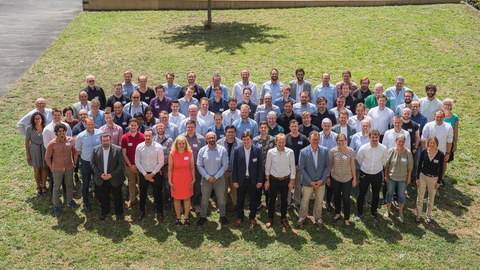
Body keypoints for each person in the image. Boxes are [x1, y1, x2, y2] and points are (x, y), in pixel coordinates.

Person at [297, 131, 329, 227]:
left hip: (320, 182)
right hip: (308, 182)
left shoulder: (324, 150)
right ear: (309, 139)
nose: (315, 141)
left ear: (319, 140)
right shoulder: (303, 152)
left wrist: (322, 180)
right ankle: (302, 217)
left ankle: (318, 217)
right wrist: (310, 181)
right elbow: (301, 167)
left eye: (317, 139)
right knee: (305, 200)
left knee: (319, 201)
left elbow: (327, 166)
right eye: (313, 139)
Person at [45, 123, 78, 216]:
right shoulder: (52, 143)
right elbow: (47, 158)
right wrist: (51, 168)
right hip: (57, 169)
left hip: (69, 168)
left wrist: (75, 163)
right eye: (59, 131)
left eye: (63, 131)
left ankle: (70, 201)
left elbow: (75, 152)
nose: (61, 133)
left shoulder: (70, 140)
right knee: (56, 188)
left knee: (69, 186)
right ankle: (56, 206)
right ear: (56, 133)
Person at [356, 130, 389, 222]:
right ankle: (359, 213)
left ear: (379, 138)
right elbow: (360, 160)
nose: (374, 139)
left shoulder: (383, 149)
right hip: (364, 173)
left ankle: (374, 213)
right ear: (369, 137)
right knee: (361, 194)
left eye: (376, 137)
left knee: (376, 194)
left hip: (377, 174)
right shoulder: (363, 148)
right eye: (372, 137)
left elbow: (384, 162)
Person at [197, 132, 229, 225]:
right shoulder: (202, 150)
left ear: (215, 138)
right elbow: (199, 165)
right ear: (206, 139)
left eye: (213, 137)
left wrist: (215, 177)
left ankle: (222, 216)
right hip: (206, 179)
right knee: (204, 199)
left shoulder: (222, 150)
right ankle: (203, 216)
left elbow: (225, 165)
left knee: (221, 198)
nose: (211, 139)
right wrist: (207, 177)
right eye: (209, 138)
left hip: (219, 179)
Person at [91, 133, 126, 221]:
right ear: (101, 141)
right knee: (103, 197)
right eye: (103, 141)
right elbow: (92, 164)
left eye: (107, 140)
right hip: (101, 178)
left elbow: (121, 165)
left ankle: (119, 213)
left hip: (115, 178)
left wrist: (111, 175)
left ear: (110, 140)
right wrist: (100, 174)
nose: (105, 142)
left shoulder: (118, 150)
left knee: (117, 197)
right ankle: (104, 212)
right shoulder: (96, 150)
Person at [231, 131, 263, 226]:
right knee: (240, 200)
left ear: (251, 140)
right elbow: (234, 167)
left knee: (253, 200)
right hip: (241, 180)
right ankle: (240, 217)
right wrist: (235, 180)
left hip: (253, 180)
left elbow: (260, 167)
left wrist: (260, 180)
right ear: (242, 140)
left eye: (248, 139)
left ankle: (252, 217)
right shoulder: (237, 150)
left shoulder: (257, 150)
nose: (246, 141)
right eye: (244, 139)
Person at [265, 133, 296, 229]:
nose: (281, 144)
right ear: (276, 142)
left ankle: (283, 218)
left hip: (285, 180)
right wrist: (267, 180)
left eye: (283, 142)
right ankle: (270, 218)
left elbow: (292, 167)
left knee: (284, 200)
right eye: (279, 142)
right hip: (273, 180)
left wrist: (292, 181)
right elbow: (267, 167)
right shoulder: (270, 152)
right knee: (272, 200)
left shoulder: (290, 152)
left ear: (285, 142)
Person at [135, 129, 164, 222]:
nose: (147, 137)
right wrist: (145, 174)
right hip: (143, 173)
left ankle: (159, 212)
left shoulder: (158, 147)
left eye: (149, 136)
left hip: (155, 173)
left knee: (157, 193)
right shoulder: (139, 147)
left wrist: (152, 174)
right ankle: (142, 211)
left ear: (153, 136)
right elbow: (137, 161)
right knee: (142, 193)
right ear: (144, 136)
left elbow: (161, 162)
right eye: (146, 136)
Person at [328, 133, 356, 226]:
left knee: (346, 198)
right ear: (337, 141)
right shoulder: (333, 151)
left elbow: (352, 166)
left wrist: (354, 178)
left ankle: (347, 218)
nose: (341, 142)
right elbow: (331, 164)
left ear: (346, 141)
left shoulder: (351, 151)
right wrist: (328, 177)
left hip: (347, 178)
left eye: (343, 140)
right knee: (336, 197)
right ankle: (337, 213)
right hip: (335, 177)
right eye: (339, 140)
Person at [75, 118, 102, 212]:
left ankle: (99, 198)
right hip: (86, 162)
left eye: (92, 124)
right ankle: (86, 203)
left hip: (97, 162)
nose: (90, 126)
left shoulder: (100, 133)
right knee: (85, 183)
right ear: (85, 124)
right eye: (88, 124)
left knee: (98, 182)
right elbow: (77, 150)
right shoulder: (80, 136)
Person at [415, 136, 444, 224]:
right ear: (428, 143)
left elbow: (441, 169)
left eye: (433, 143)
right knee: (420, 197)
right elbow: (419, 165)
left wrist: (439, 181)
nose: (431, 144)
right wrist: (417, 178)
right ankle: (418, 215)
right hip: (423, 176)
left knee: (431, 197)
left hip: (434, 179)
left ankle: (428, 216)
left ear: (437, 144)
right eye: (430, 142)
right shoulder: (424, 152)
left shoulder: (440, 154)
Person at [384, 135, 413, 220]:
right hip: (391, 177)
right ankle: (388, 211)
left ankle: (400, 211)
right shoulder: (391, 151)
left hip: (402, 179)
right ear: (396, 141)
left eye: (402, 142)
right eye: (399, 141)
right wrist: (386, 176)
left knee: (401, 195)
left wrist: (409, 178)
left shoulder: (408, 153)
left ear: (404, 142)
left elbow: (410, 167)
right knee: (389, 194)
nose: (401, 143)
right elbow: (387, 165)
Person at [421, 109, 453, 185]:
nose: (439, 118)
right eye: (437, 116)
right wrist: (423, 150)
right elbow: (423, 138)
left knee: (442, 166)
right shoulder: (428, 125)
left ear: (444, 117)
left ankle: (440, 179)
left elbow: (449, 141)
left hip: (441, 152)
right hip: (429, 151)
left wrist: (448, 153)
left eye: (441, 117)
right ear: (434, 116)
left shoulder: (448, 127)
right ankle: (426, 182)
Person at [169, 136, 195, 226]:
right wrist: (170, 180)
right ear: (176, 144)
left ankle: (187, 218)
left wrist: (193, 178)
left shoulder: (190, 153)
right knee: (176, 198)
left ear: (186, 144)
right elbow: (170, 169)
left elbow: (192, 167)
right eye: (179, 143)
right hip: (176, 179)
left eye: (183, 143)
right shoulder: (172, 153)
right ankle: (178, 218)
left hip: (187, 179)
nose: (181, 145)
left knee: (187, 198)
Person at [183, 120, 207, 213]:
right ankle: (184, 204)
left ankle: (196, 203)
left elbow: (205, 153)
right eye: (188, 127)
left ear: (195, 128)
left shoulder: (201, 139)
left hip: (197, 168)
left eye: (192, 127)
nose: (190, 129)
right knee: (185, 186)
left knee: (197, 186)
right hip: (184, 168)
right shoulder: (182, 138)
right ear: (186, 128)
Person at [121, 118, 145, 208]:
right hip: (129, 165)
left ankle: (142, 200)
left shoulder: (142, 137)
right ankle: (132, 199)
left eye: (135, 125)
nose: (133, 127)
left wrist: (138, 165)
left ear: (138, 126)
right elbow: (124, 153)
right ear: (129, 126)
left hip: (141, 166)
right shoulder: (124, 137)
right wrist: (131, 165)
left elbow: (144, 153)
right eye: (132, 125)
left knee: (141, 183)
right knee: (131, 182)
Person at [216, 125, 242, 208]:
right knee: (222, 190)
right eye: (228, 132)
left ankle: (236, 206)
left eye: (232, 132)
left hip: (235, 171)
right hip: (222, 171)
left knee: (235, 190)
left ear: (235, 133)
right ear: (225, 132)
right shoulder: (219, 143)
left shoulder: (240, 143)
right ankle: (222, 207)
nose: (230, 134)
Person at [285, 120, 309, 208]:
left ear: (298, 127)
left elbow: (306, 153)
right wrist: (290, 165)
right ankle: (287, 202)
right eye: (292, 126)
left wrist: (299, 165)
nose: (294, 128)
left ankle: (297, 201)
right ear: (289, 127)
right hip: (288, 166)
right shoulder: (286, 138)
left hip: (299, 166)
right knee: (288, 184)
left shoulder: (303, 138)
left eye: (295, 126)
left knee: (298, 185)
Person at [253, 121, 276, 210]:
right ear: (259, 129)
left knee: (268, 187)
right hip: (258, 168)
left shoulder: (273, 140)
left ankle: (268, 203)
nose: (263, 129)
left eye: (265, 128)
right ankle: (258, 203)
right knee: (258, 187)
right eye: (261, 127)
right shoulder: (255, 140)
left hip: (270, 168)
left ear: (268, 129)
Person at [25, 112, 47, 196]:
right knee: (37, 169)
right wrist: (27, 154)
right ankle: (38, 186)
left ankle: (44, 185)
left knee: (44, 167)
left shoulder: (45, 127)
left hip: (44, 149)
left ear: (42, 119)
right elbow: (27, 142)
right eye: (36, 119)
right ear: (33, 120)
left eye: (39, 118)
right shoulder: (30, 129)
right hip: (34, 149)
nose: (37, 120)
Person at [319, 118, 338, 211]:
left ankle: (328, 201)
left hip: (332, 163)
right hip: (320, 163)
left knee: (330, 183)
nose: (326, 127)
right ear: (322, 126)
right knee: (321, 182)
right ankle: (318, 200)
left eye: (328, 125)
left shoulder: (336, 136)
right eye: (325, 125)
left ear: (331, 126)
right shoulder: (317, 136)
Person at [154, 123, 174, 210]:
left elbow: (170, 153)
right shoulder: (153, 139)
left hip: (166, 166)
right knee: (157, 185)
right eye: (159, 128)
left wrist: (161, 161)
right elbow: (152, 153)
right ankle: (157, 202)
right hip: (155, 166)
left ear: (164, 128)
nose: (160, 129)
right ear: (156, 129)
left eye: (162, 127)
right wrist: (158, 166)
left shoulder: (169, 140)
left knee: (167, 185)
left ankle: (167, 201)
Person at [442, 98, 459, 165]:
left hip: (449, 142)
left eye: (449, 105)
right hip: (439, 140)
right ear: (443, 105)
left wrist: (455, 144)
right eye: (445, 104)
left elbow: (455, 132)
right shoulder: (439, 115)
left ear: (451, 106)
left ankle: (442, 175)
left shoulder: (455, 117)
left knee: (445, 160)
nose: (447, 106)